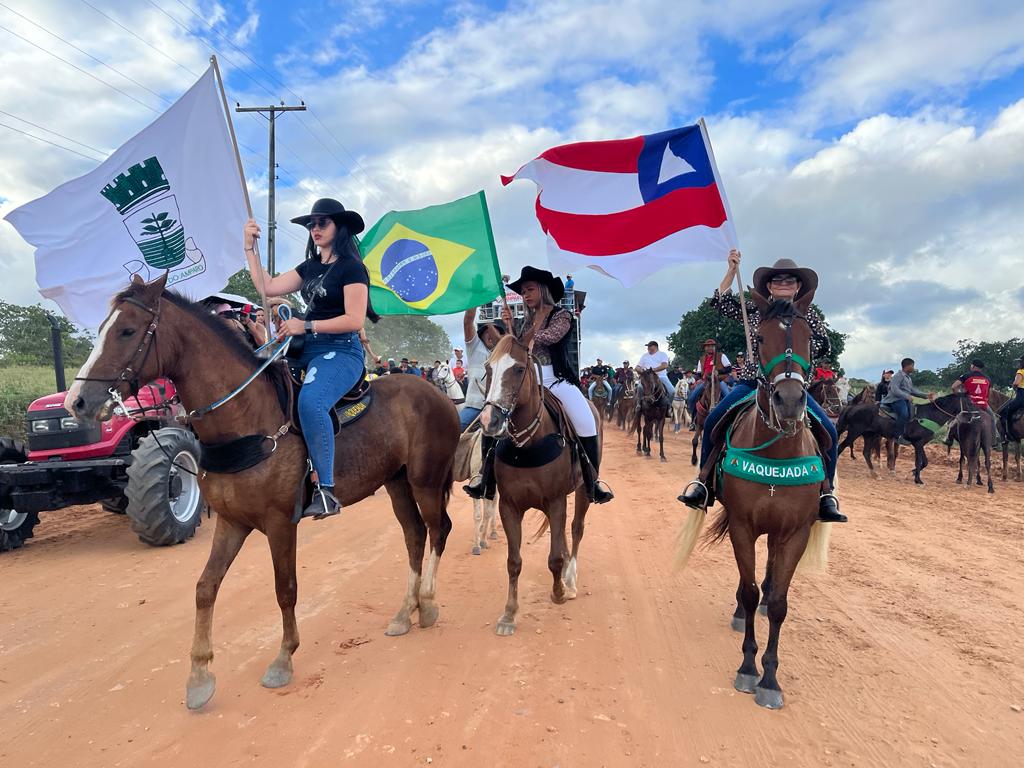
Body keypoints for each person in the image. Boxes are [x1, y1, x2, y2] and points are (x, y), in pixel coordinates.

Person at [678, 251, 846, 523]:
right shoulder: (754, 309)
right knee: (712, 421)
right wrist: (732, 271)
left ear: (798, 287)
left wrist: (808, 345)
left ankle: (826, 494)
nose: (783, 284)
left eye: (789, 280)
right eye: (777, 280)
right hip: (752, 382)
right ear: (768, 286)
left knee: (829, 431)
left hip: (793, 383)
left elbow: (824, 345)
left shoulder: (808, 314)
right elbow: (719, 302)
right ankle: (704, 483)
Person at [243, 197, 376, 520]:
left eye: (322, 223)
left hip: (342, 350)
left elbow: (355, 319)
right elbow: (267, 286)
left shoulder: (352, 268)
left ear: (339, 227)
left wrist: (306, 324)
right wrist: (249, 248)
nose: (315, 229)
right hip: (306, 349)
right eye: (311, 224)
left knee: (311, 403)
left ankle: (326, 490)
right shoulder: (310, 267)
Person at [464, 266, 612, 504]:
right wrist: (509, 330)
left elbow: (551, 337)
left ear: (542, 290)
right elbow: (514, 350)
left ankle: (592, 481)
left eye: (530, 290)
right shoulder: (524, 320)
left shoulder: (562, 315)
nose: (526, 295)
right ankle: (486, 478)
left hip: (555, 380)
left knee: (585, 420)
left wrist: (519, 337)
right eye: (523, 292)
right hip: (524, 379)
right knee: (492, 414)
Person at [458, 306, 507, 431]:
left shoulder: (505, 354)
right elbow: (468, 321)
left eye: (495, 331)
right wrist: (475, 298)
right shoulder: (474, 347)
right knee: (453, 429)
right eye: (487, 331)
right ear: (481, 335)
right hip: (474, 406)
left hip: (499, 409)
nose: (491, 334)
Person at [881, 358, 936, 443]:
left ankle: (909, 434)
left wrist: (926, 395)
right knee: (904, 414)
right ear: (907, 366)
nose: (913, 368)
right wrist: (906, 396)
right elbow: (894, 389)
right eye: (912, 366)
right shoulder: (898, 376)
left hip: (904, 400)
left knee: (913, 415)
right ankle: (897, 436)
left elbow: (912, 390)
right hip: (895, 400)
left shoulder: (908, 378)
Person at [687, 339, 731, 423]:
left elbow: (729, 368)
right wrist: (699, 379)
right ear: (705, 348)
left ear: (715, 347)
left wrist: (719, 371)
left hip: (719, 380)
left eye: (712, 346)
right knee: (692, 397)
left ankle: (730, 418)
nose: (710, 348)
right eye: (708, 346)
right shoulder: (702, 359)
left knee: (728, 396)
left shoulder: (721, 356)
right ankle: (694, 419)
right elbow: (699, 373)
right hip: (705, 381)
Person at [952, 359, 996, 430]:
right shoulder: (987, 378)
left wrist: (960, 394)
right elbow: (988, 393)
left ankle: (948, 436)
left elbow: (954, 387)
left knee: (955, 416)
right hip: (983, 405)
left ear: (973, 366)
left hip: (969, 403)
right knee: (992, 417)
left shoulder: (966, 376)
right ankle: (996, 435)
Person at [998, 355, 1024, 439]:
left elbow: (1016, 383)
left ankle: (1008, 434)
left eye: (1020, 361)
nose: (1020, 363)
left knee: (1004, 412)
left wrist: (1014, 386)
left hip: (1022, 396)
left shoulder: (1021, 371)